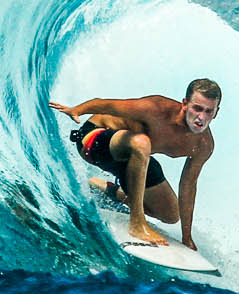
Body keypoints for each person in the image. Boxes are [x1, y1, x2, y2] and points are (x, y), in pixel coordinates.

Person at [49, 79, 220, 250]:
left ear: (216, 112)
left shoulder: (203, 145)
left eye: (208, 111)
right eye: (197, 108)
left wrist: (187, 238)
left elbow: (188, 186)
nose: (201, 117)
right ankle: (137, 222)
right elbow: (107, 105)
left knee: (171, 214)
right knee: (142, 143)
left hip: (135, 157)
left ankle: (110, 190)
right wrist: (77, 110)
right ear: (185, 104)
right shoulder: (157, 109)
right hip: (95, 141)